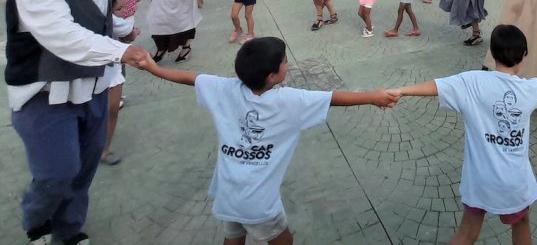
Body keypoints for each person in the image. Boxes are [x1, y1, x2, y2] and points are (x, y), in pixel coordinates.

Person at [6, 0, 155, 245]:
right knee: (56, 173)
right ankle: (38, 223)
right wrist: (121, 51)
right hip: (44, 100)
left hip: (91, 90)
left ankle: (69, 232)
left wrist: (122, 32)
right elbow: (63, 37)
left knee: (82, 171)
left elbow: (94, 22)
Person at [136, 37, 399, 245]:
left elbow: (190, 78)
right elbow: (333, 98)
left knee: (234, 236)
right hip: (259, 202)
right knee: (284, 241)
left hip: (227, 191)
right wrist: (372, 96)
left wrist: (153, 67)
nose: (288, 64)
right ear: (272, 76)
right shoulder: (289, 101)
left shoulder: (225, 89)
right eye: (285, 62)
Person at [392, 25, 537, 245]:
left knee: (467, 233)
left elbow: (436, 87)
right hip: (514, 182)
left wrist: (401, 91)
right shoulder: (530, 90)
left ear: (492, 53)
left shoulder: (472, 81)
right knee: (521, 223)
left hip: (479, 181)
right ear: (524, 55)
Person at [100, 0, 145, 167]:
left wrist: (130, 33)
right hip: (104, 53)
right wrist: (131, 32)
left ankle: (104, 149)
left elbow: (126, 26)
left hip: (117, 54)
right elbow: (123, 28)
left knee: (112, 109)